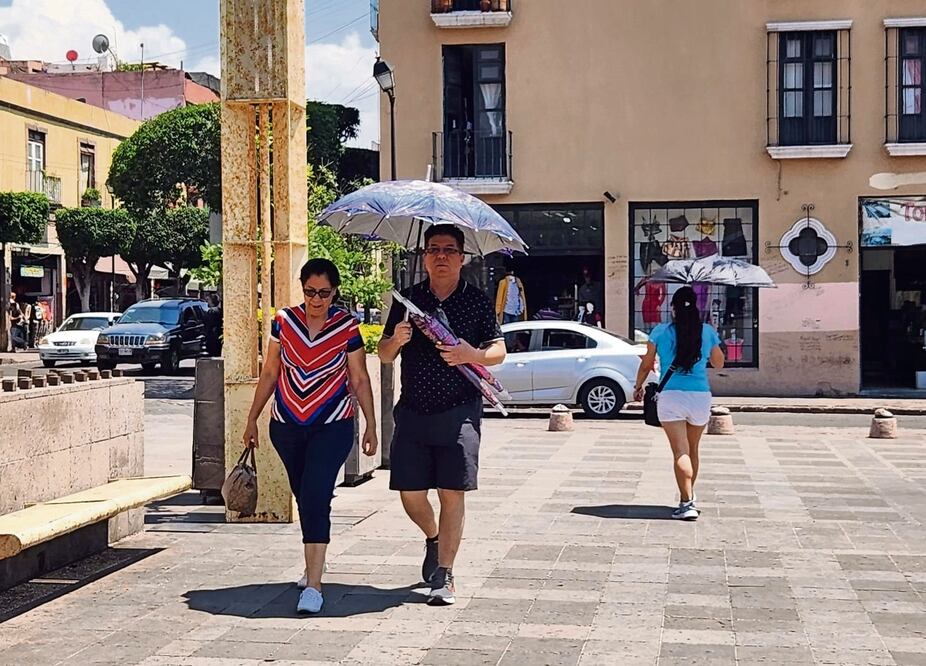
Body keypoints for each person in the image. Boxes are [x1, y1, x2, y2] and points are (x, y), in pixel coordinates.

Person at [242, 258, 378, 615]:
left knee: (317, 497)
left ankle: (314, 587)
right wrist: (251, 419)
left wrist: (371, 424)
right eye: (310, 292)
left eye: (324, 293)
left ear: (335, 292)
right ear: (302, 288)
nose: (317, 300)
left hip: (332, 424)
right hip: (286, 427)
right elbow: (270, 372)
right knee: (305, 498)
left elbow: (360, 378)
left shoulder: (346, 326)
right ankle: (312, 564)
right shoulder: (283, 322)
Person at [379, 225, 506, 606]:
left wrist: (473, 355)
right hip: (414, 411)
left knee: (452, 492)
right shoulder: (408, 301)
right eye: (433, 249)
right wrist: (395, 340)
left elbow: (499, 350)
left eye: (449, 250)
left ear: (462, 257)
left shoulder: (477, 301)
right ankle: (433, 538)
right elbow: (384, 354)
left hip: (460, 412)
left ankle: (445, 574)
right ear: (423, 255)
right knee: (410, 493)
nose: (441, 256)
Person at [633, 286, 724, 521]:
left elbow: (647, 363)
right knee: (693, 450)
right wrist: (712, 335)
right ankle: (689, 497)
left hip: (671, 396)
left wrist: (638, 386)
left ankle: (686, 503)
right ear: (695, 307)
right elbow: (719, 363)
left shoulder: (661, 331)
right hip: (700, 397)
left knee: (680, 451)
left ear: (672, 308)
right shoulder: (706, 331)